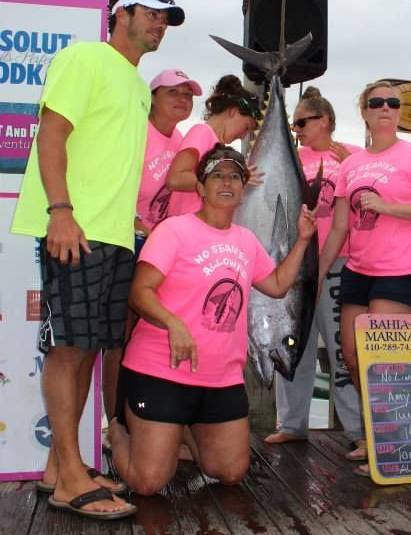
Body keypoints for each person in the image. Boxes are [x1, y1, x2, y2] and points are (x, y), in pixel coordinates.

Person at [11, 0, 185, 520]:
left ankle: (58, 468)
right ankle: (69, 480)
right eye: (152, 14)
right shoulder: (84, 56)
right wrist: (60, 211)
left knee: (87, 348)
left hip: (112, 234)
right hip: (76, 228)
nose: (160, 25)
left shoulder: (135, 86)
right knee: (69, 349)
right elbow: (52, 132)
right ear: (121, 13)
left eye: (166, 20)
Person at [108, 144, 317, 494]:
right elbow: (140, 292)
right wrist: (174, 323)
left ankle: (182, 429)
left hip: (220, 379)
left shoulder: (246, 242)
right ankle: (117, 431)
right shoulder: (173, 231)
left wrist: (303, 241)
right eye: (217, 175)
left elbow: (279, 286)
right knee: (149, 482)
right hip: (161, 372)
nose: (227, 182)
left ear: (242, 189)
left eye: (235, 176)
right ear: (201, 188)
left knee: (230, 471)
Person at [319, 80, 411, 474]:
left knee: (385, 357)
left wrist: (389, 207)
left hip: (404, 269)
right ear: (365, 111)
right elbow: (340, 227)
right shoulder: (351, 164)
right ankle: (380, 435)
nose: (386, 108)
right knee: (354, 356)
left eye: (393, 102)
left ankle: (392, 446)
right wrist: (316, 275)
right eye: (377, 102)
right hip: (359, 268)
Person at [264, 86, 364, 453]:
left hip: (337, 262)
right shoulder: (289, 156)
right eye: (294, 124)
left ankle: (357, 429)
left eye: (303, 122)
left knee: (341, 348)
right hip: (293, 263)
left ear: (326, 121)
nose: (297, 129)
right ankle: (292, 423)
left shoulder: (352, 156)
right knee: (293, 342)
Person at [101, 67, 202, 426]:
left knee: (149, 332)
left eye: (188, 94)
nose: (182, 99)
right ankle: (113, 420)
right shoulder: (133, 132)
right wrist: (133, 223)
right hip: (127, 242)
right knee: (120, 333)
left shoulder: (183, 144)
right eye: (173, 92)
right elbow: (105, 182)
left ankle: (143, 415)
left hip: (161, 248)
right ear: (152, 97)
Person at [166, 75, 260, 216]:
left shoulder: (218, 145)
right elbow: (175, 179)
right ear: (233, 111)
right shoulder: (202, 132)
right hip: (187, 228)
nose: (243, 136)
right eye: (246, 127)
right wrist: (230, 179)